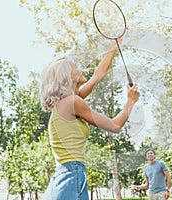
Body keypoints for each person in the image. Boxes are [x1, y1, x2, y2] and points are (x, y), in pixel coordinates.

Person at [40, 38, 140, 200]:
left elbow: (98, 75)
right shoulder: (72, 102)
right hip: (72, 175)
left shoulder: (68, 102)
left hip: (64, 177)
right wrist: (130, 102)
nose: (79, 69)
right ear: (67, 76)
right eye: (75, 68)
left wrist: (113, 47)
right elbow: (114, 125)